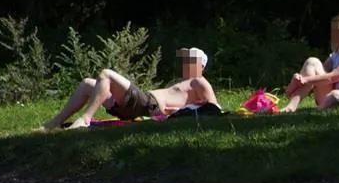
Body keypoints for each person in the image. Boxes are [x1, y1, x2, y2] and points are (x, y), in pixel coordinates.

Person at [40, 47, 218, 130]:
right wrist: (177, 111)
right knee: (87, 83)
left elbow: (213, 110)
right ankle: (52, 124)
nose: (187, 64)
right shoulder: (183, 82)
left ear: (201, 65)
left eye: (191, 61)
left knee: (106, 75)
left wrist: (174, 112)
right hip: (141, 106)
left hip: (148, 105)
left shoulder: (199, 82)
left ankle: (85, 119)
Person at [281, 13, 339, 112]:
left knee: (336, 95)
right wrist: (298, 79)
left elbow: (332, 77)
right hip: (330, 94)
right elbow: (321, 74)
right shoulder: (338, 53)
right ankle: (291, 106)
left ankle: (318, 110)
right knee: (312, 62)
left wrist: (305, 79)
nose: (333, 35)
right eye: (333, 31)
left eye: (338, 31)